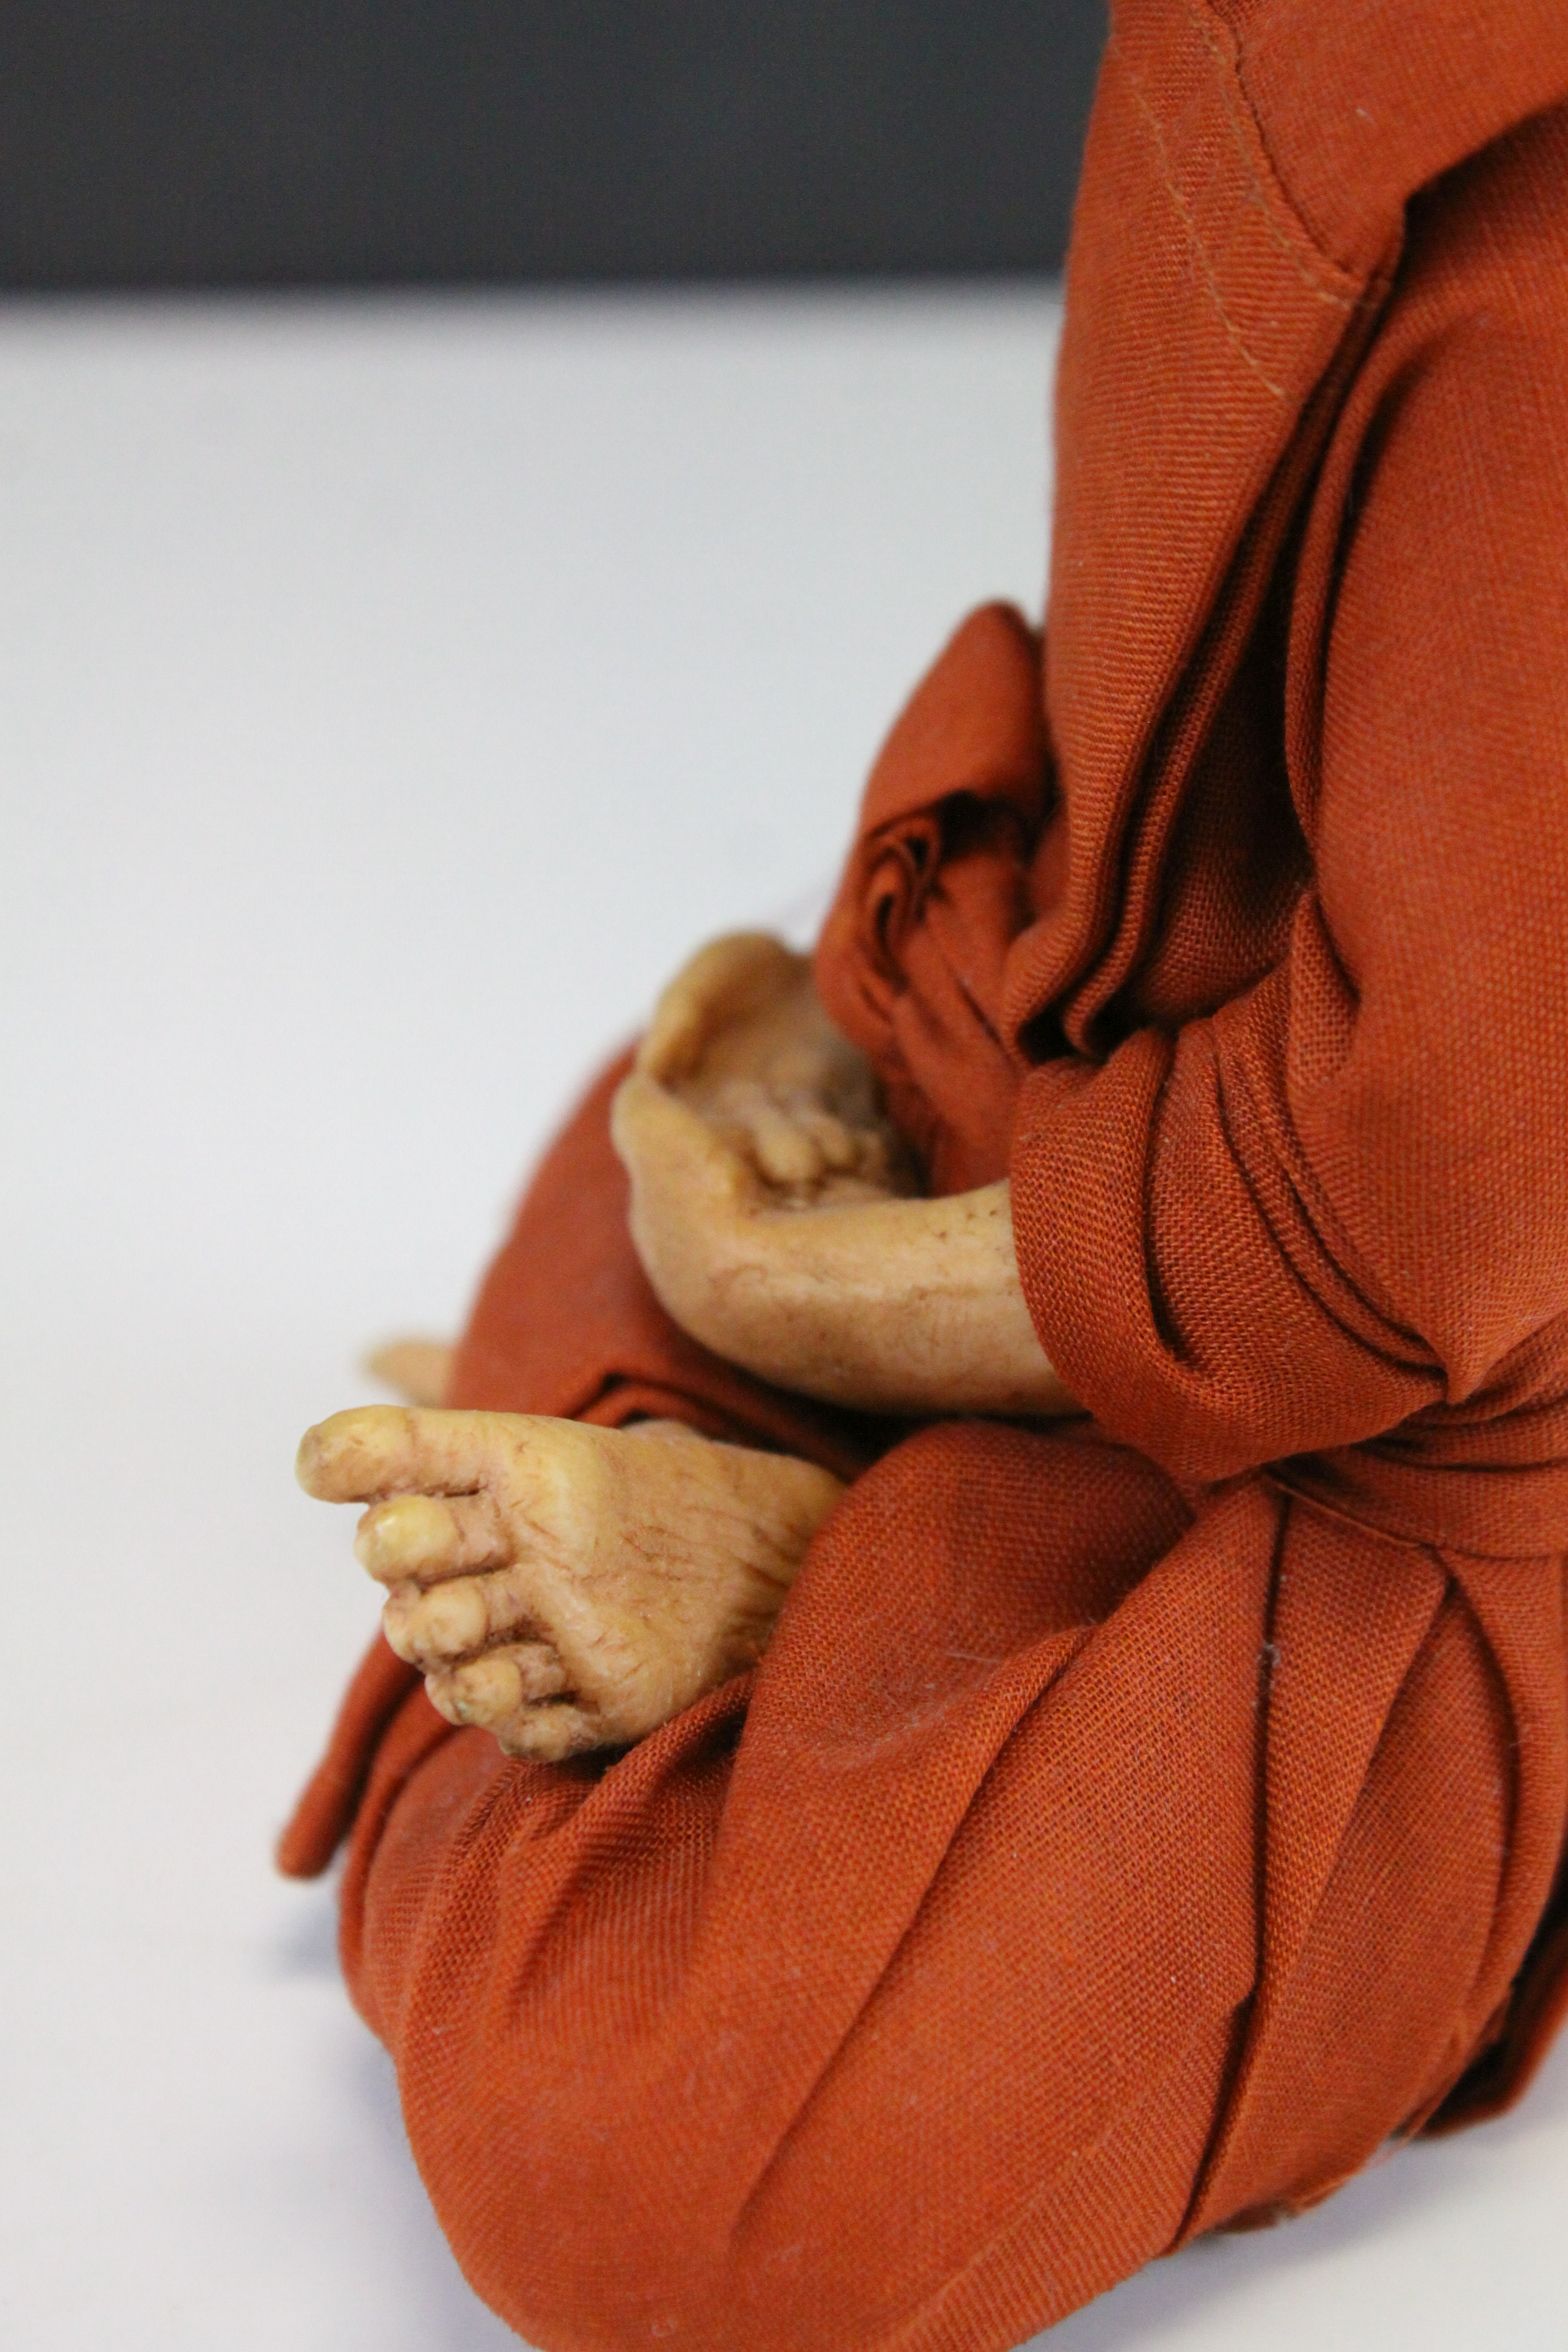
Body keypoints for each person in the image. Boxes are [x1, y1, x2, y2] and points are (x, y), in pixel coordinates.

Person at [282, 6, 1568, 2344]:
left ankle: (825, 1565)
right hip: (1108, 1121)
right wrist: (801, 1051)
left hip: (1419, 1451)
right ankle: (848, 1576)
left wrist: (780, 1301)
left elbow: (1416, 1224)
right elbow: (1157, 788)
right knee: (684, 1091)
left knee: (652, 2173)